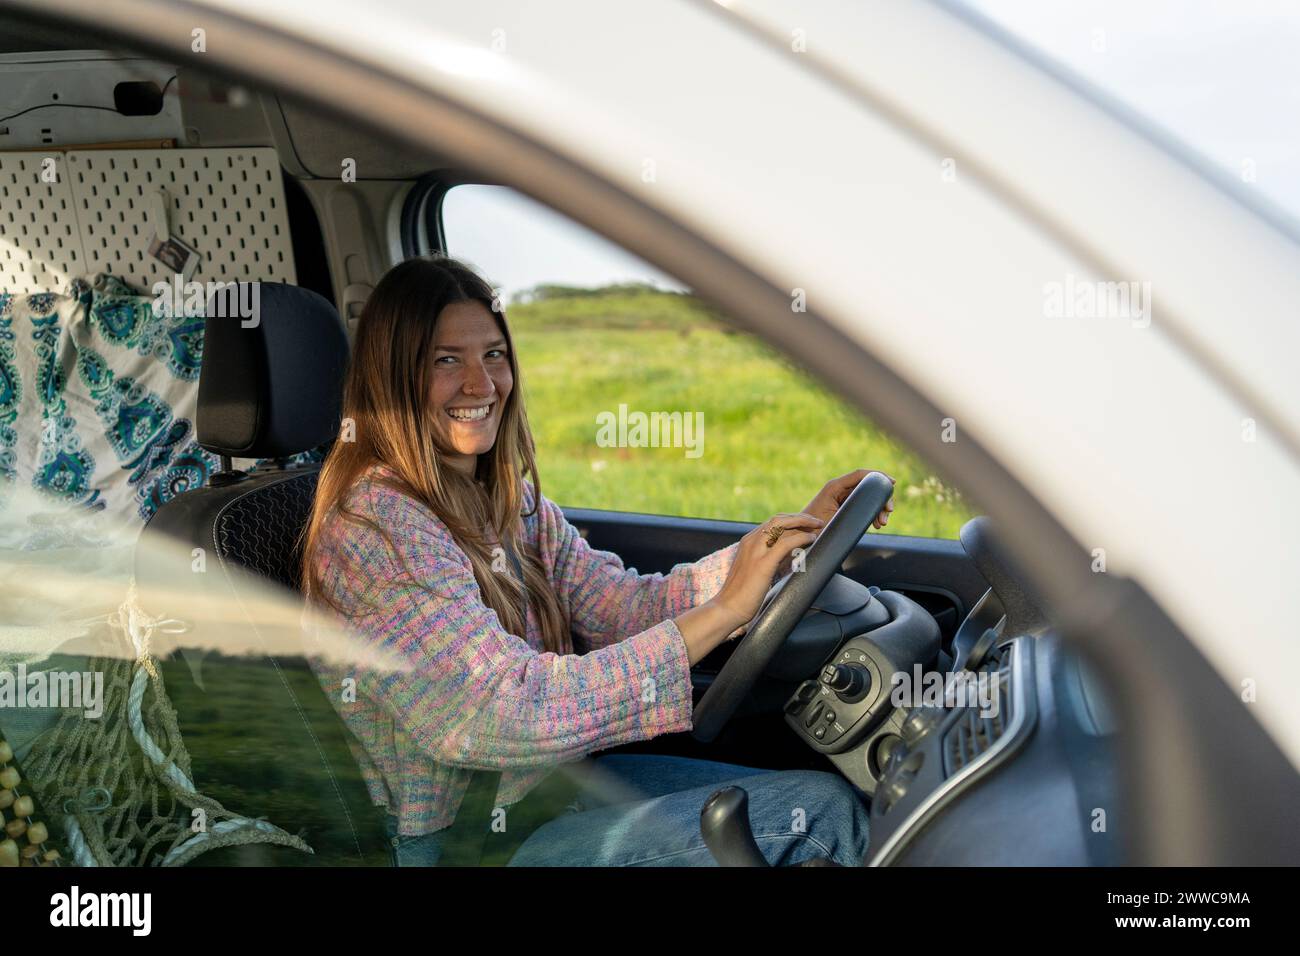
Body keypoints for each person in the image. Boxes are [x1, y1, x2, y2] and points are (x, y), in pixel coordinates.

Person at [300, 255, 895, 866]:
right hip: (468, 845)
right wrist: (723, 612)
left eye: (494, 355)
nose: (481, 384)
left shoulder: (507, 500)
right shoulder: (374, 528)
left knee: (826, 791)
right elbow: (496, 712)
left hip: (551, 794)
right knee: (824, 820)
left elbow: (622, 608)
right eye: (445, 360)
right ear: (393, 378)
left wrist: (775, 545)